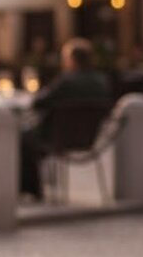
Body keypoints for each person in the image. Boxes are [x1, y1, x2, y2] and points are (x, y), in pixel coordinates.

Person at [19, 37, 111, 201]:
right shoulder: (101, 81)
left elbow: (39, 102)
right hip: (88, 138)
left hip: (57, 137)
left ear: (73, 60)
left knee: (22, 137)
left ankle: (32, 189)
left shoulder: (67, 81)